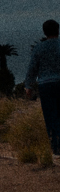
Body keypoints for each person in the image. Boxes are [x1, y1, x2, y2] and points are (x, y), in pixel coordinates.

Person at [29, 19, 60, 155]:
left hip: (45, 85)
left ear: (44, 32)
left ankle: (55, 147)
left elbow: (32, 68)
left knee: (50, 115)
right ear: (58, 30)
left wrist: (28, 85)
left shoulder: (39, 48)